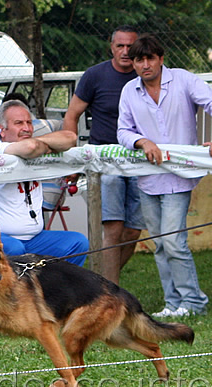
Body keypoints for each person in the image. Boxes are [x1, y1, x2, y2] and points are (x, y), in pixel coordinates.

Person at [118, 34, 211, 318]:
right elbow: (123, 130)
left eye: (150, 58)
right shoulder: (129, 90)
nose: (145, 65)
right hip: (147, 177)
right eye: (138, 60)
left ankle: (193, 301)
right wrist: (142, 142)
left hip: (179, 175)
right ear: (132, 63)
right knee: (159, 242)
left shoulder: (184, 80)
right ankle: (173, 304)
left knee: (173, 241)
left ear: (160, 58)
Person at [0, 100, 87, 264]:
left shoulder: (35, 144)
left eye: (29, 123)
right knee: (15, 250)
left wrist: (40, 144)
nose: (27, 128)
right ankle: (15, 290)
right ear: (2, 130)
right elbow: (30, 148)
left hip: (34, 238)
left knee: (77, 243)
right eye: (19, 123)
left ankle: (55, 289)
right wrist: (43, 145)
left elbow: (70, 137)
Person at [64, 25, 143, 285]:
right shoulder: (95, 75)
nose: (125, 51)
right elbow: (72, 115)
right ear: (111, 47)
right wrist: (72, 155)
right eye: (120, 46)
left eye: (130, 46)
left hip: (140, 160)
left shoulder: (146, 75)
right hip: (106, 160)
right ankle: (110, 293)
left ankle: (101, 284)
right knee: (113, 229)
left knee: (132, 231)